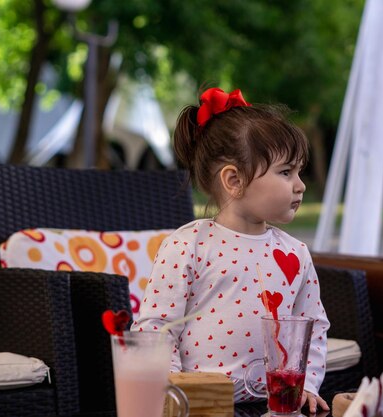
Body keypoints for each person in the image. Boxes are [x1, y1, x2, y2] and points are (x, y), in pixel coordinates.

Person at [131, 87, 331, 413]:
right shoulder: (188, 246)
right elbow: (156, 327)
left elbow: (312, 327)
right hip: (204, 405)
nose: (300, 185)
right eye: (285, 172)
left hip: (276, 404)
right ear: (234, 180)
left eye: (299, 172)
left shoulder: (295, 254)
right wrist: (175, 393)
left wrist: (307, 383)